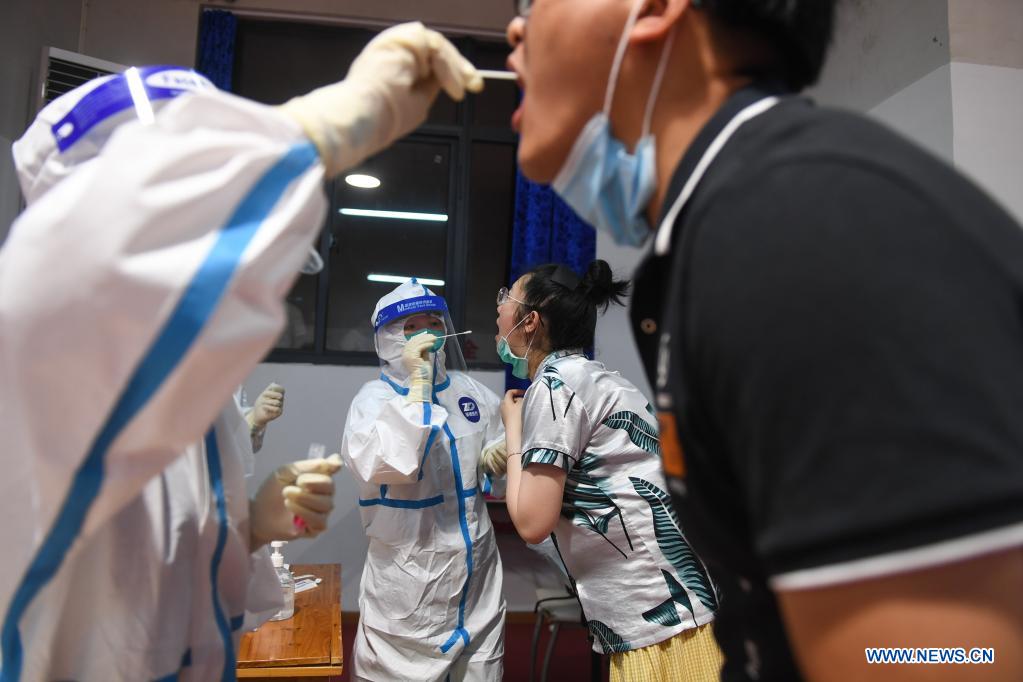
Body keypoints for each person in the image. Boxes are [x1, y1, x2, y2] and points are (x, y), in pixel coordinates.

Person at [506, 1, 1023, 680]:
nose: (516, 29)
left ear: (654, 9)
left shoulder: (795, 231)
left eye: (534, 2)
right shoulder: (726, 230)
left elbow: (951, 658)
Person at [2, 23, 481, 681]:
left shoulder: (201, 403)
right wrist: (319, 125)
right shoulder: (35, 347)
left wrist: (250, 531)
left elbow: (159, 591)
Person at [498, 260, 722, 681]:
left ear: (529, 322)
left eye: (505, 298)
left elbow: (531, 522)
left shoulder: (552, 387)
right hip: (679, 595)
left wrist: (513, 432)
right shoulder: (597, 377)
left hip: (654, 612)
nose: (498, 309)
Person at [340, 279, 507, 681]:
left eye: (435, 322)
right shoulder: (372, 403)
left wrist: (497, 459)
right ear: (390, 338)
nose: (430, 333)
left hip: (478, 587)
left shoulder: (473, 394)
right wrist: (417, 388)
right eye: (414, 326)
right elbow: (387, 464)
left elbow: (497, 464)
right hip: (408, 596)